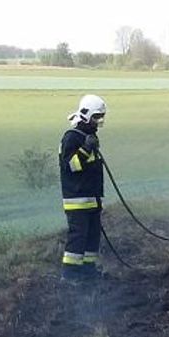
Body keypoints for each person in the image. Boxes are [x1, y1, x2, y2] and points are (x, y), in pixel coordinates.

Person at [59, 94, 107, 282]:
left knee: (92, 238)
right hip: (77, 201)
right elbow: (71, 166)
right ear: (86, 115)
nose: (98, 121)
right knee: (78, 237)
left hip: (92, 200)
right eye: (96, 117)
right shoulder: (71, 138)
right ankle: (70, 275)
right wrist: (86, 149)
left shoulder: (89, 136)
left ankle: (88, 271)